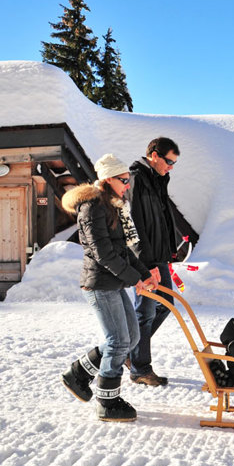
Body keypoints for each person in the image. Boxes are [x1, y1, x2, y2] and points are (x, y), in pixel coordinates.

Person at [60, 153, 158, 422]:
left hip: (113, 282)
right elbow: (103, 254)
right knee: (117, 341)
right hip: (99, 284)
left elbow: (123, 252)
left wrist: (145, 274)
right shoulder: (92, 207)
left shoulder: (112, 205)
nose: (128, 185)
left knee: (132, 338)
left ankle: (79, 372)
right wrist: (135, 279)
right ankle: (107, 401)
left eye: (129, 180)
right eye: (123, 180)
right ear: (108, 179)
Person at [127, 137, 181, 387]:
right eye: (169, 161)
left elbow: (161, 220)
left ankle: (130, 354)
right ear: (154, 155)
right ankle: (139, 367)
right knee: (145, 312)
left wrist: (168, 253)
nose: (171, 167)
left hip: (159, 257)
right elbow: (134, 224)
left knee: (165, 303)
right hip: (145, 259)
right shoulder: (137, 178)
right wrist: (145, 263)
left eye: (174, 163)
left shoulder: (158, 180)